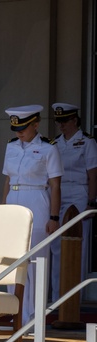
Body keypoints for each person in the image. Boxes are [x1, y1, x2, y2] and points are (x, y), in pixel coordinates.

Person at [2, 106, 62, 321]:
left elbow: (55, 185)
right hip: (14, 202)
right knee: (13, 261)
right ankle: (14, 314)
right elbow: (8, 180)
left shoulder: (48, 149)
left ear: (36, 124)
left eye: (24, 127)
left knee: (36, 261)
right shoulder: (11, 147)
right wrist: (3, 211)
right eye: (16, 128)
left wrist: (54, 217)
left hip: (37, 199)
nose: (19, 132)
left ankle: (34, 316)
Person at [50, 103, 97, 299]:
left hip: (78, 192)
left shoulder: (87, 142)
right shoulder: (55, 143)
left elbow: (93, 175)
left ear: (75, 120)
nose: (61, 125)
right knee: (57, 245)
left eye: (65, 121)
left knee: (78, 243)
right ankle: (57, 295)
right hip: (59, 192)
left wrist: (91, 201)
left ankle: (75, 298)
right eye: (59, 121)